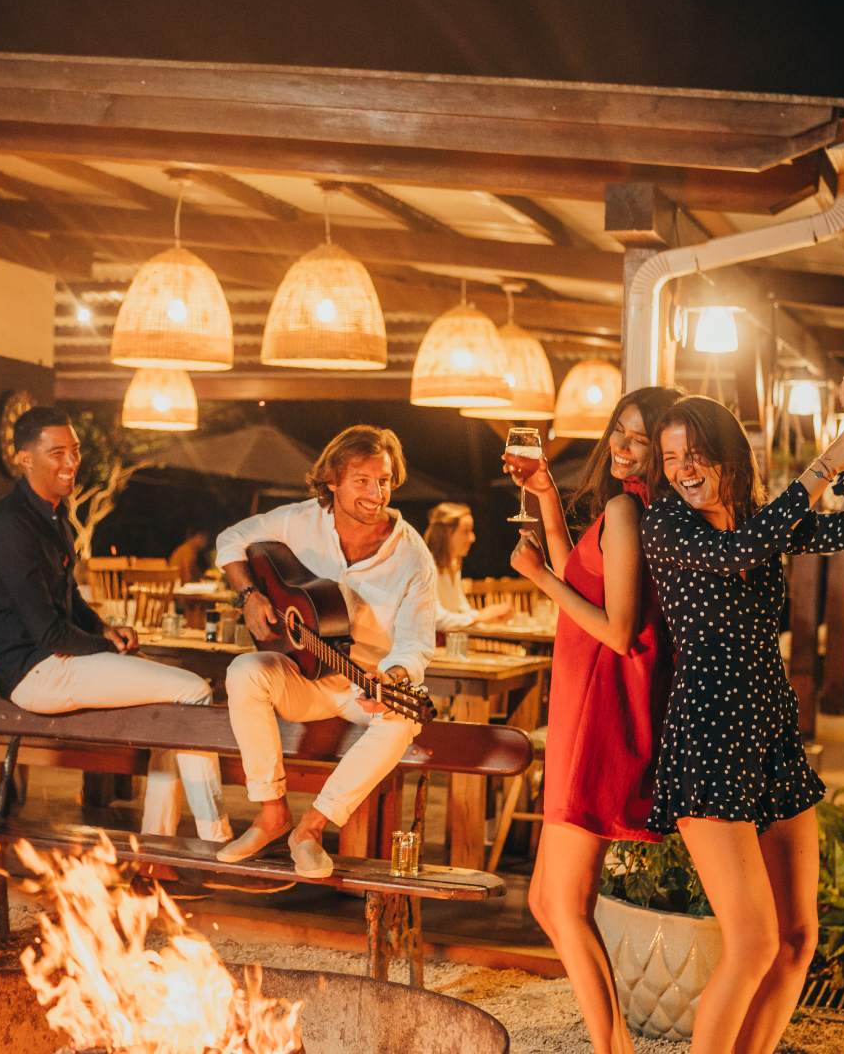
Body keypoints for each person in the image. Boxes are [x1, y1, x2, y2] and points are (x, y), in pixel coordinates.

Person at [640, 384, 844, 1054]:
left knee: (797, 939)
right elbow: (740, 553)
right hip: (709, 739)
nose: (682, 468)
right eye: (670, 458)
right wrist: (826, 463)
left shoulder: (762, 518)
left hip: (773, 736)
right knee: (751, 944)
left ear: (726, 454)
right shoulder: (668, 526)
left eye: (694, 454)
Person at [504, 386, 682, 1054]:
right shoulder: (631, 513)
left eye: (638, 439)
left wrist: (538, 580)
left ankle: (614, 1051)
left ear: (665, 453)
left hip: (598, 717)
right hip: (588, 707)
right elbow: (582, 575)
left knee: (561, 905)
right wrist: (546, 494)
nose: (622, 447)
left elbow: (616, 628)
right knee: (551, 904)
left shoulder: (627, 511)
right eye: (619, 432)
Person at [0, 406, 231, 845]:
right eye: (57, 453)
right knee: (194, 690)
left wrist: (105, 630)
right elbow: (49, 632)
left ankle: (157, 847)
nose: (71, 463)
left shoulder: (53, 516)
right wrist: (104, 647)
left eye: (73, 451)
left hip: (56, 661)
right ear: (25, 459)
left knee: (175, 704)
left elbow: (69, 598)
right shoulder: (9, 525)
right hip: (33, 672)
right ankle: (217, 841)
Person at [213, 425, 436, 878]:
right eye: (363, 481)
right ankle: (272, 814)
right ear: (331, 480)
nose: (377, 494)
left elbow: (416, 642)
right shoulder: (299, 520)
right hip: (304, 673)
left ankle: (311, 828)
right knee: (244, 671)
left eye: (385, 481)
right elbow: (230, 540)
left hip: (364, 685)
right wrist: (249, 597)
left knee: (402, 720)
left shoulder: (413, 556)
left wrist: (390, 680)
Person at [422, 502, 516, 631]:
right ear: (446, 534)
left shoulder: (453, 567)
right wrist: (480, 617)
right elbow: (436, 619)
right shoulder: (425, 567)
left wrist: (490, 617)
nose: (472, 538)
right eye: (465, 531)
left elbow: (461, 610)